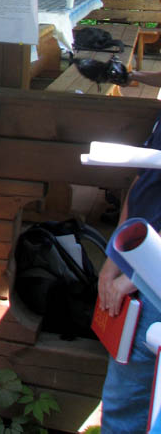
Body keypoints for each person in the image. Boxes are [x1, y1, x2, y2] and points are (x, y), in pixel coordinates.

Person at [99, 68, 161, 434]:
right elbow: (142, 182)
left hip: (151, 282)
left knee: (127, 407)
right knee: (122, 401)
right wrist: (112, 260)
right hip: (137, 267)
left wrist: (133, 278)